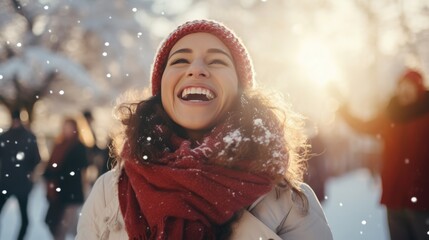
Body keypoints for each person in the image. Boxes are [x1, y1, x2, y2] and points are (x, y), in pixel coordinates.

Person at [76, 19, 333, 239]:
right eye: (181, 60)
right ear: (161, 88)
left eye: (217, 62)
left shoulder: (289, 203)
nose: (197, 69)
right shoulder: (109, 194)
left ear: (240, 92)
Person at [338, 69, 429, 240]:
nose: (404, 91)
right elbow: (364, 126)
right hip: (394, 198)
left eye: (409, 87)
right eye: (401, 86)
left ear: (419, 89)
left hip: (423, 200)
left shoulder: (426, 115)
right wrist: (343, 111)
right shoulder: (391, 115)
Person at [43, 117, 89, 240]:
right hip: (58, 193)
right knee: (54, 224)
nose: (66, 130)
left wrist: (84, 188)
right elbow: (50, 169)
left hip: (72, 192)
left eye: (69, 127)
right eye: (65, 127)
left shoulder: (79, 147)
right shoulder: (59, 145)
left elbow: (83, 171)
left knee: (64, 227)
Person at [0, 110, 41, 240]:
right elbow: (36, 160)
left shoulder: (4, 136)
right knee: (25, 219)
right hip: (22, 182)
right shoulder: (30, 137)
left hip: (4, 182)